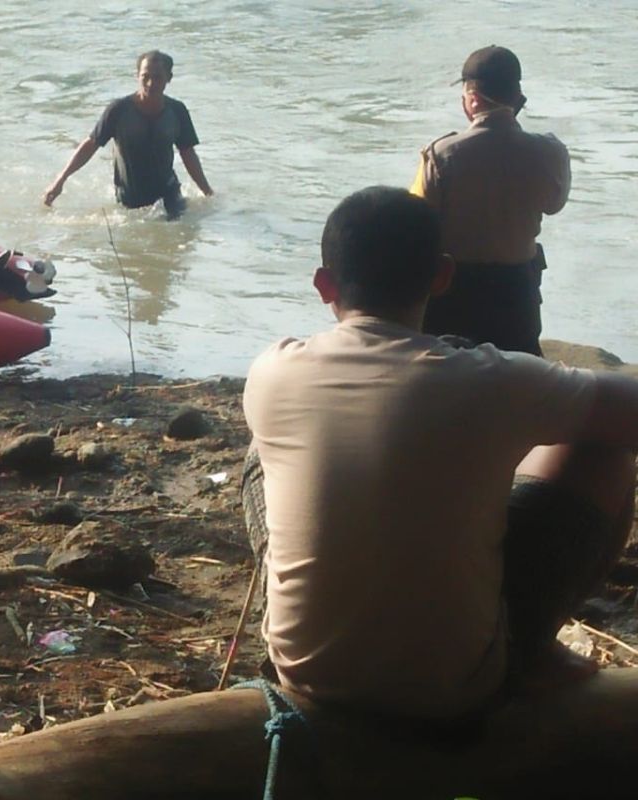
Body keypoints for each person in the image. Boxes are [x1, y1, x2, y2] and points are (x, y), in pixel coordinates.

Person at [242, 186, 638, 724]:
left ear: (323, 284)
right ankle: (532, 646)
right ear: (443, 276)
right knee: (608, 451)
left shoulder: (273, 370)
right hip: (458, 689)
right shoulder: (493, 380)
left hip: (306, 674)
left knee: (263, 449)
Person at [409, 46, 570, 356]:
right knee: (519, 379)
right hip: (517, 292)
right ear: (516, 96)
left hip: (452, 293)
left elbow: (417, 222)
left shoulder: (442, 154)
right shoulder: (551, 152)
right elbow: (554, 204)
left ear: (473, 99)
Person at [43, 50, 212, 220]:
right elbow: (91, 145)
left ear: (169, 78)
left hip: (168, 195)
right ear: (137, 76)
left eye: (158, 77)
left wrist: (207, 192)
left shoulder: (177, 111)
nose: (151, 83)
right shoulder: (119, 110)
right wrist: (60, 180)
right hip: (130, 200)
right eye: (145, 76)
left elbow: (188, 153)